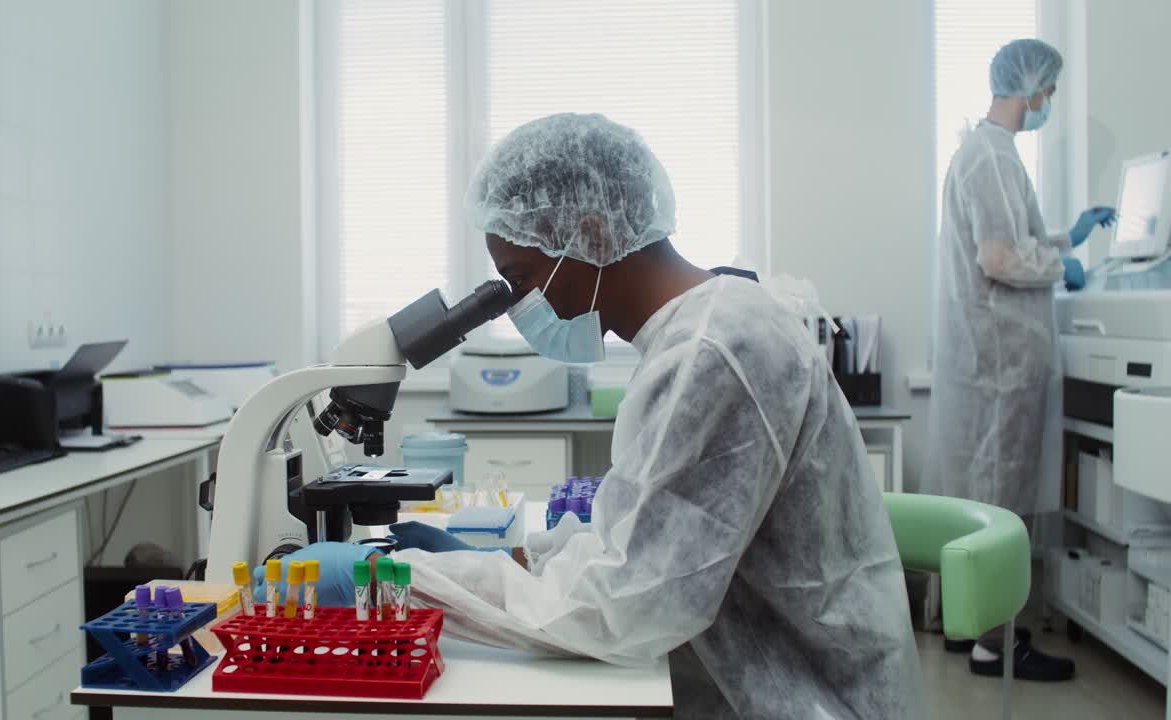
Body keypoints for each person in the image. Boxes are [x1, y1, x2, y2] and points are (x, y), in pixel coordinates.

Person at [386, 112, 922, 718]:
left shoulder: (712, 353)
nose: (522, 307)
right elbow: (637, 534)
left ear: (591, 236)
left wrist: (409, 584)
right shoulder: (700, 330)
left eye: (521, 279)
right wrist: (510, 559)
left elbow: (626, 605)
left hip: (808, 697)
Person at [925, 39, 1114, 682]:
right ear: (1029, 88)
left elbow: (1011, 236)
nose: (1049, 104)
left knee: (982, 494)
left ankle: (967, 626)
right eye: (1049, 93)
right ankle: (994, 644)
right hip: (1002, 358)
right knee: (999, 501)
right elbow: (1000, 258)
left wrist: (1068, 236)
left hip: (992, 358)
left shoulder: (986, 152)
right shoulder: (990, 156)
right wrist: (1065, 266)